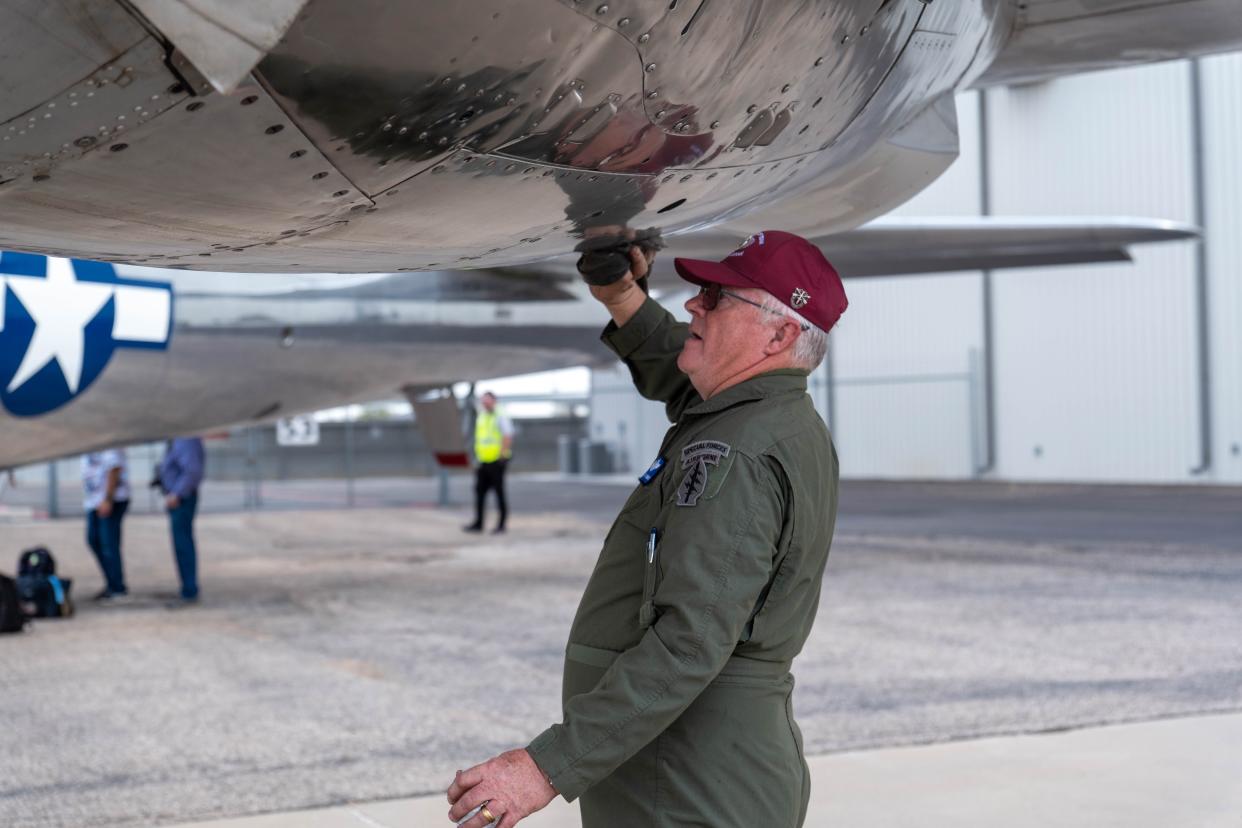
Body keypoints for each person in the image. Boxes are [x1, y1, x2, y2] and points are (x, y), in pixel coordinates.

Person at [446, 230, 848, 828]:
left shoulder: (736, 450)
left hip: (688, 781)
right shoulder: (760, 414)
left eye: (717, 298)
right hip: (687, 765)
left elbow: (689, 641)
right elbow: (678, 367)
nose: (694, 305)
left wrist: (545, 766)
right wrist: (622, 297)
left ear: (780, 334)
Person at [157, 437, 205, 606]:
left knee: (183, 544)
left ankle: (189, 591)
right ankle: (187, 588)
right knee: (180, 544)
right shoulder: (177, 439)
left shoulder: (186, 438)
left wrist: (177, 493)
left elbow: (192, 471)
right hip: (178, 497)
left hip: (182, 499)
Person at [81, 448, 131, 601]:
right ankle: (112, 583)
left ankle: (117, 587)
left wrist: (108, 499)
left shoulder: (107, 442)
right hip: (94, 501)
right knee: (94, 539)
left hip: (110, 500)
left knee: (108, 544)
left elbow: (114, 468)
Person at [464, 392, 514, 535]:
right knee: (479, 492)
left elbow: (508, 435)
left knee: (499, 493)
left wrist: (502, 456)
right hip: (483, 461)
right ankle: (478, 523)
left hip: (497, 462)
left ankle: (501, 525)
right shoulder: (482, 415)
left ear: (494, 401)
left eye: (487, 401)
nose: (485, 403)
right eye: (483, 401)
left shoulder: (500, 415)